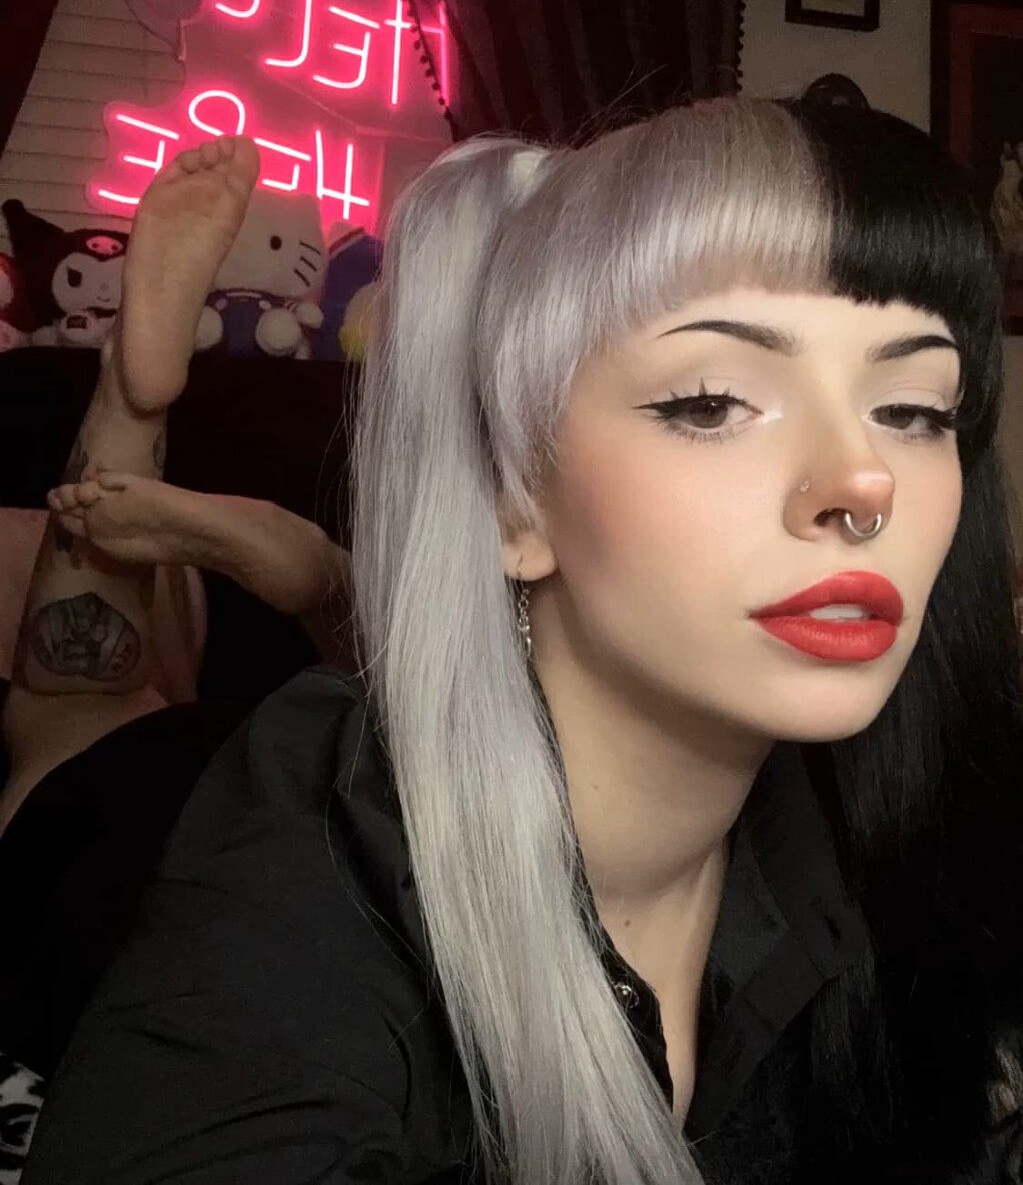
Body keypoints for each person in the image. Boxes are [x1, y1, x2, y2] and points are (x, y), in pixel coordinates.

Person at [9, 99, 1023, 1185]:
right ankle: (135, 404)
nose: (865, 482)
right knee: (70, 713)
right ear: (509, 493)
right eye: (713, 400)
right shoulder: (300, 895)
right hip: (125, 793)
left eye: (914, 409)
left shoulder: (862, 821)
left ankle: (308, 569)